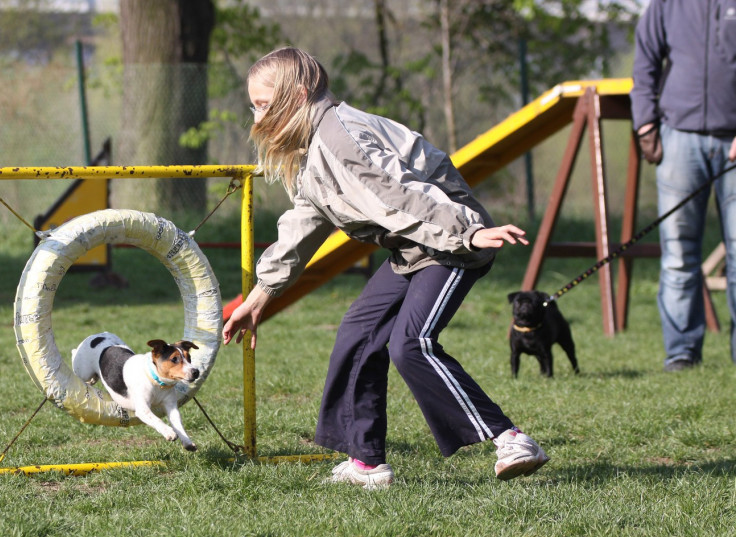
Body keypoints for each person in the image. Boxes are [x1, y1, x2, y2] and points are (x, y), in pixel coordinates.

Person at [221, 47, 548, 489]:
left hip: (448, 239)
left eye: (263, 105)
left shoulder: (341, 136)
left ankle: (511, 441)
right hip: (413, 245)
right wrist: (261, 295)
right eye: (253, 106)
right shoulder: (311, 148)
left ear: (297, 95)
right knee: (359, 332)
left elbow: (401, 194)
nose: (257, 120)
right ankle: (367, 463)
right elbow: (304, 221)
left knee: (410, 343)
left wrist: (467, 233)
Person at [630, 0, 736, 371]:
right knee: (677, 252)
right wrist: (645, 124)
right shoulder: (666, 5)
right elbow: (644, 64)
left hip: (733, 140)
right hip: (679, 139)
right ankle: (681, 352)